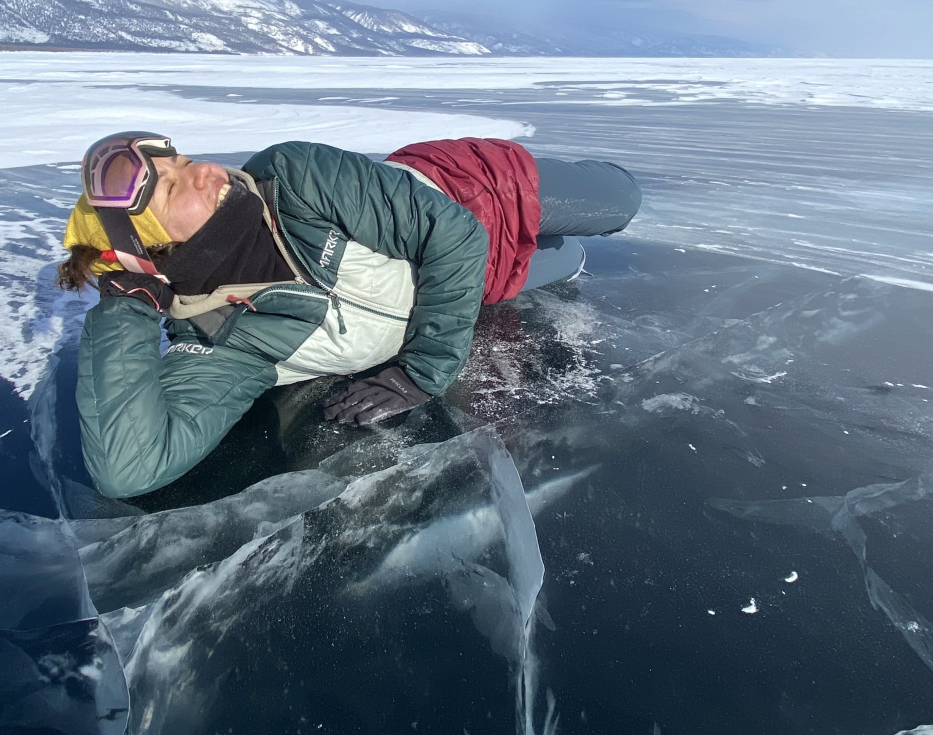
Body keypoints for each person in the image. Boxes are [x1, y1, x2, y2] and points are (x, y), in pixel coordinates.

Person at [59, 133, 640, 499]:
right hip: (483, 282)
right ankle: (547, 250)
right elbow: (127, 468)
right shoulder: (219, 337)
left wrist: (420, 373)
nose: (205, 168)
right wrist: (126, 307)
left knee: (621, 203)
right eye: (173, 188)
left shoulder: (289, 177)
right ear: (148, 253)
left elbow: (455, 233)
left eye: (182, 160)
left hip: (471, 193)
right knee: (565, 261)